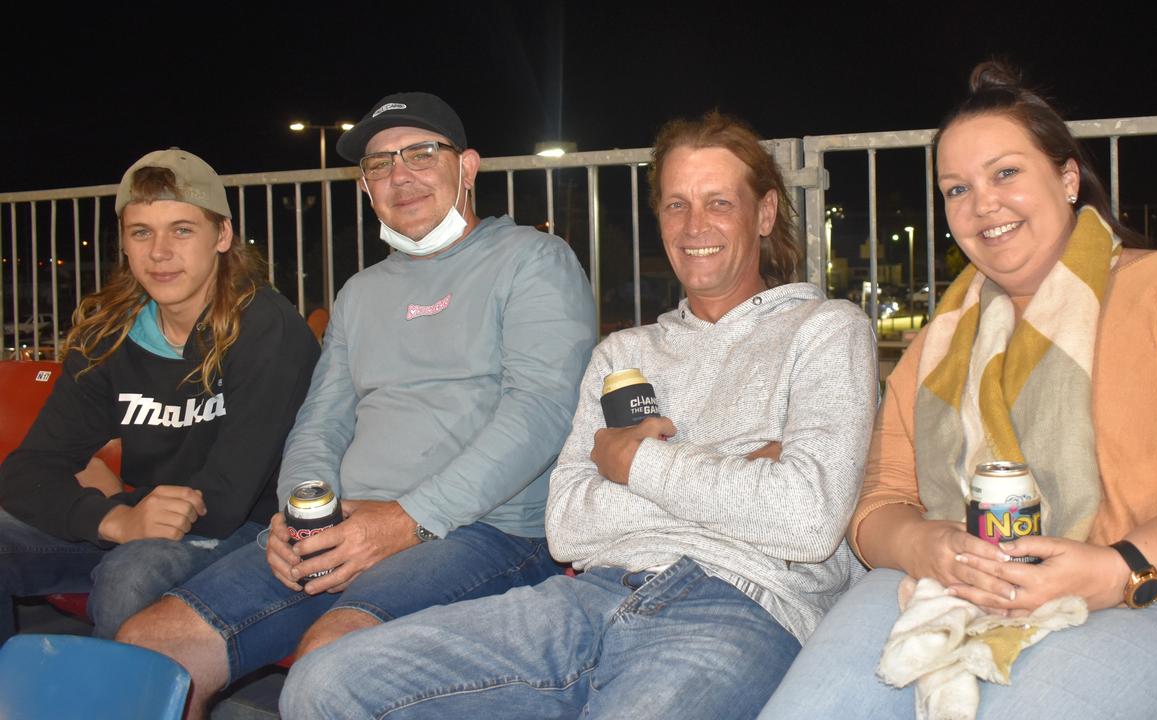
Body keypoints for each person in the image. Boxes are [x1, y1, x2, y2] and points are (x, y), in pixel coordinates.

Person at [278, 111, 880, 720]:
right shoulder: (624, 352)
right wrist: (738, 476)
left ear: (766, 213)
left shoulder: (827, 330)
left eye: (719, 201)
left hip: (741, 607)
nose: (695, 225)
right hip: (590, 596)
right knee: (325, 683)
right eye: (675, 205)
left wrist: (635, 461)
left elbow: (807, 519)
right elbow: (567, 524)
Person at [760, 61, 1157, 720]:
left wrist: (1117, 568)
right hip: (952, 592)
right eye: (956, 189)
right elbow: (879, 498)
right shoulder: (940, 343)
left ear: (1066, 178)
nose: (982, 205)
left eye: (1005, 173)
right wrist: (924, 545)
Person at [116, 92, 596, 717]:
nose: (400, 174)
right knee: (148, 647)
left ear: (468, 168)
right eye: (378, 164)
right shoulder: (361, 292)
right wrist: (302, 515)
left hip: (487, 531)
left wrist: (407, 518)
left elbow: (541, 413)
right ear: (366, 186)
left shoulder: (534, 261)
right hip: (346, 526)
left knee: (332, 658)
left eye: (421, 153)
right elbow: (322, 419)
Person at [0, 148, 319, 642]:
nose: (160, 252)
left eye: (182, 230)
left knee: (132, 574)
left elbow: (228, 497)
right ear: (125, 244)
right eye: (141, 232)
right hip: (140, 524)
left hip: (248, 532)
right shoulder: (110, 336)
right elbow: (28, 470)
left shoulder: (266, 330)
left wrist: (128, 514)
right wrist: (113, 518)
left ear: (223, 236)